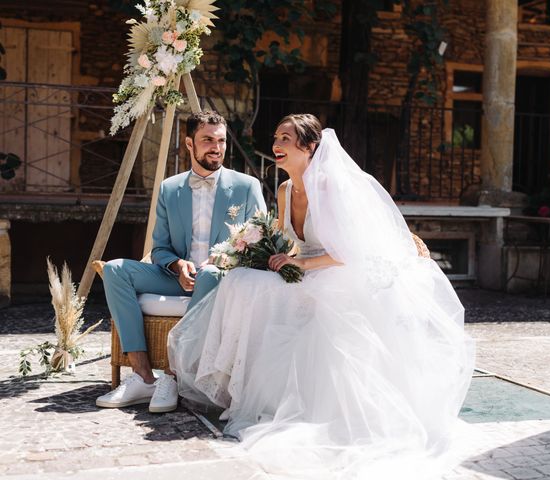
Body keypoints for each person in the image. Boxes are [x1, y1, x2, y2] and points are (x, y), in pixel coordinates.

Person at [168, 114, 475, 478]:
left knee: (311, 311)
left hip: (340, 276)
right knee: (240, 281)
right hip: (306, 274)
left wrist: (300, 265)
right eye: (276, 137)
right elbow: (285, 242)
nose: (276, 145)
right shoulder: (283, 191)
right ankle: (235, 384)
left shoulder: (329, 187)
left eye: (286, 138)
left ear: (309, 147)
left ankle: (315, 406)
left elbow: (350, 252)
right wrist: (263, 255)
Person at [96, 110, 266, 413]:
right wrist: (177, 265)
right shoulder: (169, 188)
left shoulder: (246, 186)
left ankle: (172, 377)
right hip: (176, 277)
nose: (216, 147)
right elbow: (159, 248)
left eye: (221, 141)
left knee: (210, 273)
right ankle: (143, 376)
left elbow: (260, 242)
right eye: (207, 140)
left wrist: (226, 258)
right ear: (189, 144)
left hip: (220, 281)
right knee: (115, 269)